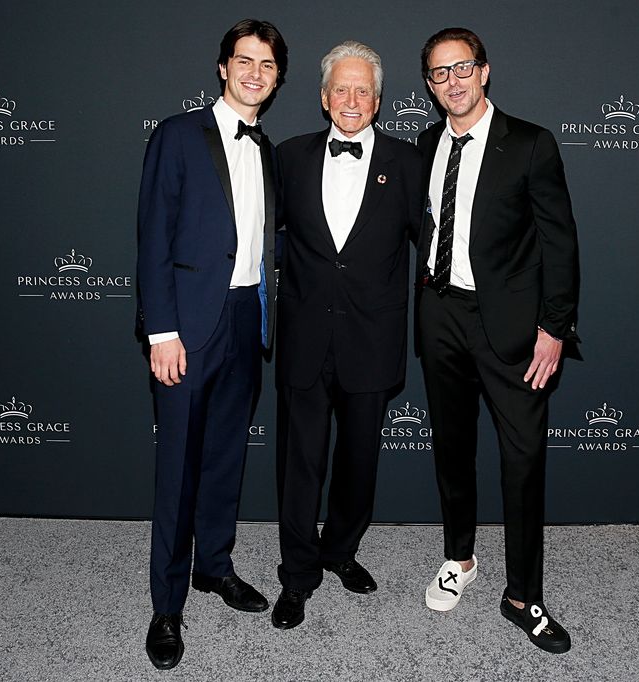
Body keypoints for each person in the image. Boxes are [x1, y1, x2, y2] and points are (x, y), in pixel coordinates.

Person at [415, 27, 581, 654]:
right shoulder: (425, 143)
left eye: (462, 69)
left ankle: (523, 595)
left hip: (511, 327)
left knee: (522, 460)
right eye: (438, 73)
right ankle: (459, 558)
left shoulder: (531, 144)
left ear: (484, 72)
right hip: (438, 316)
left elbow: (560, 244)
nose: (452, 82)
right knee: (452, 449)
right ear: (429, 85)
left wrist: (554, 328)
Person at [135, 18, 286, 669]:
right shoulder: (176, 135)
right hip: (187, 326)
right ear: (223, 68)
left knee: (226, 457)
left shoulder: (269, 148)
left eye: (268, 64)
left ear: (278, 78)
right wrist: (161, 330)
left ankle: (214, 567)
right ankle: (166, 605)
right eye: (244, 60)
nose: (255, 72)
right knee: (178, 471)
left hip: (246, 321)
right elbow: (152, 238)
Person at [270, 40, 423, 630]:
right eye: (341, 88)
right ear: (323, 97)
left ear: (378, 100)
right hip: (305, 337)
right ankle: (298, 576)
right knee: (299, 465)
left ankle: (341, 550)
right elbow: (262, 235)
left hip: (372, 339)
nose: (352, 99)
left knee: (360, 462)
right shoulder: (289, 157)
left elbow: (435, 246)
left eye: (363, 90)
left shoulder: (407, 163)